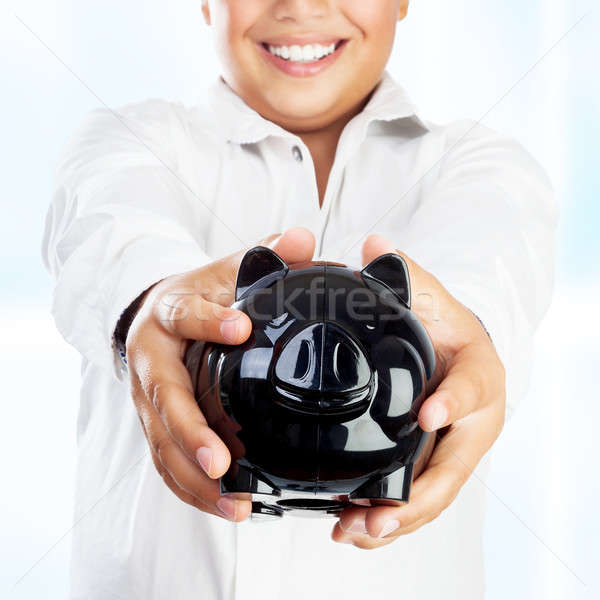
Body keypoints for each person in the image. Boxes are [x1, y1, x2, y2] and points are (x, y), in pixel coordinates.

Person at [42, 1, 557, 598]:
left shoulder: (482, 166)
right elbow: (112, 230)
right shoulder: (125, 140)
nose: (301, 5)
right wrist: (155, 306)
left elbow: (489, 268)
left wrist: (471, 339)